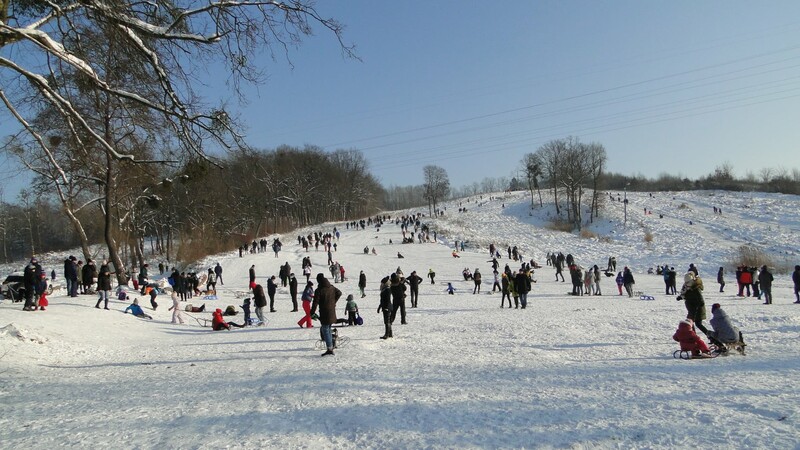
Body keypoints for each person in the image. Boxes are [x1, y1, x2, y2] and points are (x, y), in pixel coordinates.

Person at [310, 273, 342, 356]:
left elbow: (315, 303)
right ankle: (331, 345)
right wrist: (333, 302)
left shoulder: (319, 290)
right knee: (327, 328)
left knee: (325, 330)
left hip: (324, 312)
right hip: (331, 311)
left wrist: (312, 312)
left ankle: (330, 349)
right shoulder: (331, 287)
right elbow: (339, 293)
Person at [677, 272, 709, 336]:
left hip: (697, 310)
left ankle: (711, 336)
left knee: (698, 324)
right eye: (685, 283)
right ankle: (693, 336)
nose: (686, 284)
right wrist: (681, 297)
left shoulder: (695, 288)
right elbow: (687, 294)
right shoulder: (687, 287)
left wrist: (698, 305)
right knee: (691, 323)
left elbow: (701, 301)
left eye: (688, 283)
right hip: (691, 309)